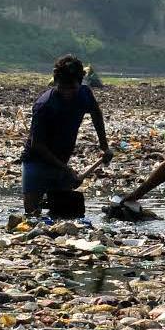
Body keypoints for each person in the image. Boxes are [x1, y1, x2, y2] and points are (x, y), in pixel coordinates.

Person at [21, 55, 113, 217]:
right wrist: (66, 170)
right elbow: (37, 145)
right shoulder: (45, 105)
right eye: (63, 87)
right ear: (56, 82)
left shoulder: (84, 94)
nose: (67, 92)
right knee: (31, 216)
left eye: (72, 88)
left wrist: (104, 146)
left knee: (64, 215)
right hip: (36, 163)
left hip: (62, 160)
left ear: (80, 82)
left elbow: (96, 113)